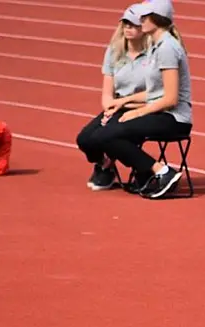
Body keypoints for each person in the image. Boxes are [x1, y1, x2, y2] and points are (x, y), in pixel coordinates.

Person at [75, 0, 192, 199]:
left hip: (172, 118)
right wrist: (122, 104)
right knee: (97, 135)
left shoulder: (166, 48)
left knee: (107, 135)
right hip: (157, 111)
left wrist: (136, 112)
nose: (141, 21)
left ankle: (162, 172)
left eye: (144, 17)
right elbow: (155, 92)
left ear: (157, 19)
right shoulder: (159, 46)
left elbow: (170, 99)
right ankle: (144, 171)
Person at [76, 3, 150, 192]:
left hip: (143, 107)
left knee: (108, 135)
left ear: (145, 28)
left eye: (133, 25)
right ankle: (105, 163)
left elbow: (157, 93)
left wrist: (123, 105)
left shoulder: (154, 54)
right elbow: (107, 93)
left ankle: (145, 170)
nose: (128, 28)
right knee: (85, 139)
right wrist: (109, 110)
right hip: (117, 105)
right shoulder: (114, 51)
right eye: (125, 23)